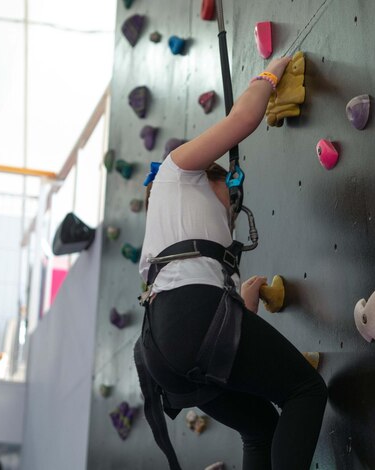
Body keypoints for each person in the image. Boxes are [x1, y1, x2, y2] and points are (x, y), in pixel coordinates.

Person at [134, 56, 328, 470]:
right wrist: (268, 76)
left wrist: (244, 302)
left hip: (163, 351)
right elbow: (242, 119)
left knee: (259, 426)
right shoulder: (177, 172)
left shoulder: (175, 238)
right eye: (232, 197)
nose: (232, 211)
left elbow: (224, 345)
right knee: (305, 390)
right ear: (213, 177)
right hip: (188, 319)